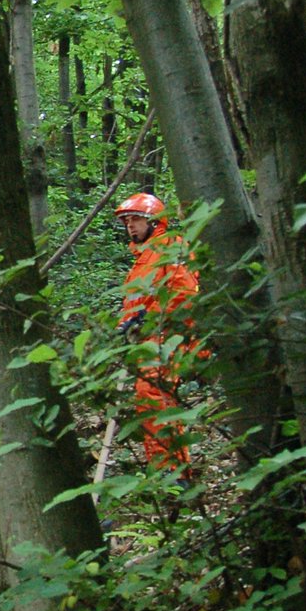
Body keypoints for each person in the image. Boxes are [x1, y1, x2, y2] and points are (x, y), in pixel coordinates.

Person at [114, 192, 202, 473]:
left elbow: (182, 293)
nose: (131, 226)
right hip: (147, 342)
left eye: (136, 220)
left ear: (153, 221)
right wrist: (124, 326)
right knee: (149, 401)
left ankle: (173, 474)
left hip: (167, 339)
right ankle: (166, 472)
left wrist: (147, 321)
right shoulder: (143, 259)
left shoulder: (168, 247)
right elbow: (135, 303)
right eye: (127, 221)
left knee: (156, 399)